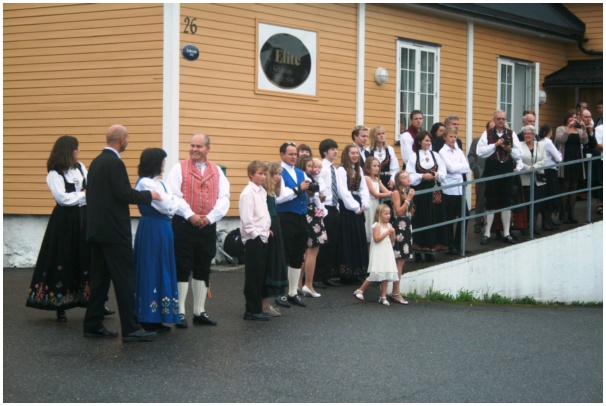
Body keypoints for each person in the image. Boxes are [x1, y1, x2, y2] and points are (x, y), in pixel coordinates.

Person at [84, 124, 160, 342]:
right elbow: (124, 194)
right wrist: (150, 195)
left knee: (99, 280)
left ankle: (92, 324)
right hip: (115, 232)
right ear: (121, 140)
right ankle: (131, 328)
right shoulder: (115, 163)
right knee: (125, 280)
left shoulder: (96, 162)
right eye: (127, 139)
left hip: (97, 230)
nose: (128, 142)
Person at [26, 136, 94, 322]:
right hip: (65, 220)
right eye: (75, 148)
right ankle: (59, 303)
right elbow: (62, 199)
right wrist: (83, 195)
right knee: (63, 257)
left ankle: (93, 301)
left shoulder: (80, 167)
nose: (78, 151)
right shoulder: (54, 173)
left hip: (83, 217)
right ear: (67, 151)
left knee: (85, 257)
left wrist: (82, 196)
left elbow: (91, 189)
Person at [166, 133, 230, 328]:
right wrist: (190, 215)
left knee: (203, 265)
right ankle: (180, 312)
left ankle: (199, 311)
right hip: (183, 225)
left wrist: (210, 218)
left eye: (199, 146)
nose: (194, 149)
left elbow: (224, 197)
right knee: (182, 266)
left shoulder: (217, 171)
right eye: (192, 145)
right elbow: (174, 195)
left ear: (207, 149)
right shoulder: (178, 168)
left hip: (207, 225)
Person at [133, 148, 187, 333]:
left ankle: (158, 316)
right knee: (151, 267)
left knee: (162, 266)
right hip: (152, 227)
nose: (164, 164)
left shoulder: (159, 183)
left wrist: (171, 201)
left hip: (163, 227)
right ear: (155, 163)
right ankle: (148, 316)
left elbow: (173, 202)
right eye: (162, 161)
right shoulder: (145, 183)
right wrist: (171, 201)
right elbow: (166, 205)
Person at [477, 110, 523, 245]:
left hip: (506, 169)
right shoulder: (487, 133)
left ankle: (507, 233)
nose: (501, 121)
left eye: (503, 119)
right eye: (498, 119)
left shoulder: (511, 133)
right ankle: (487, 233)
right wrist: (495, 145)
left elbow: (519, 154)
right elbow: (480, 152)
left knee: (506, 201)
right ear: (494, 120)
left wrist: (509, 149)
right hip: (492, 169)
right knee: (490, 201)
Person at [275, 142, 309, 308]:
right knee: (284, 255)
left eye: (295, 154)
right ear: (282, 155)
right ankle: (279, 292)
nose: (294, 157)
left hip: (301, 216)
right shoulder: (278, 172)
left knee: (298, 255)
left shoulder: (301, 172)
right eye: (290, 154)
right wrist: (298, 189)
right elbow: (279, 197)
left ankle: (293, 292)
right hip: (286, 217)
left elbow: (307, 191)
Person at [406, 130, 448, 261]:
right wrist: (421, 176)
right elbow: (409, 175)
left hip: (434, 192)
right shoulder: (414, 157)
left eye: (430, 140)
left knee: (434, 218)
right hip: (420, 193)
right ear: (419, 142)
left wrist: (437, 175)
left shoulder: (435, 155)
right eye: (426, 140)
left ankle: (431, 250)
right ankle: (418, 252)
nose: (429, 142)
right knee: (420, 219)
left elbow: (443, 171)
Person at [239, 160, 272, 321]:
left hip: (263, 236)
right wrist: (255, 235)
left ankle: (257, 306)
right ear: (251, 174)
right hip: (254, 239)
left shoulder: (262, 191)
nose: (263, 177)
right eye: (260, 174)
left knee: (260, 274)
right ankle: (251, 309)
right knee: (253, 275)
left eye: (265, 174)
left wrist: (266, 229)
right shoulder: (248, 193)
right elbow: (247, 218)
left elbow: (263, 213)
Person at [353, 204, 400, 306]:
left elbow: (393, 240)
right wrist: (386, 232)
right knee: (375, 273)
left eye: (389, 213)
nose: (388, 216)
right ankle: (360, 290)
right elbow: (376, 239)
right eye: (386, 214)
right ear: (379, 214)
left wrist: (393, 233)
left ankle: (383, 296)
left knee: (386, 273)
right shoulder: (377, 225)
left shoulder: (389, 225)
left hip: (387, 253)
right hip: (379, 253)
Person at [336, 144, 370, 281]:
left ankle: (358, 271)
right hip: (347, 208)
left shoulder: (359, 169)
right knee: (347, 238)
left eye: (357, 153)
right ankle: (347, 272)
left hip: (358, 205)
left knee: (358, 237)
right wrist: (355, 207)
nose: (355, 155)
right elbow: (343, 192)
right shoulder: (341, 170)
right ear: (347, 154)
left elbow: (363, 189)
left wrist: (364, 204)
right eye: (352, 153)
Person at [296, 154, 327, 298]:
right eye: (309, 166)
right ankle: (308, 284)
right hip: (312, 213)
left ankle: (298, 284)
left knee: (305, 251)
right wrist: (317, 193)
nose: (311, 169)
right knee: (312, 250)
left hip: (307, 212)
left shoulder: (300, 178)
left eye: (312, 166)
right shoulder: (307, 179)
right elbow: (314, 195)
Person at [439, 126, 472, 255]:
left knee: (465, 215)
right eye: (450, 137)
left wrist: (458, 168)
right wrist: (459, 167)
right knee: (450, 218)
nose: (453, 139)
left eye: (454, 137)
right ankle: (449, 245)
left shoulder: (458, 150)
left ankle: (459, 244)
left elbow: (467, 167)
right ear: (445, 138)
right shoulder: (442, 152)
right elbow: (451, 168)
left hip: (460, 188)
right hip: (449, 188)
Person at [314, 139, 341, 289]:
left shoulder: (333, 169)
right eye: (332, 149)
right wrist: (322, 210)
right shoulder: (322, 168)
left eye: (336, 149)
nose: (335, 151)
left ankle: (326, 275)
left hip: (334, 207)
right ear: (325, 152)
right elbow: (320, 190)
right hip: (325, 208)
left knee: (332, 243)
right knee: (323, 244)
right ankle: (317, 276)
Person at [263, 161, 289, 316]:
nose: (278, 177)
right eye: (275, 174)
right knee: (268, 265)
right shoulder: (263, 191)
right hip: (269, 226)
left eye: (279, 174)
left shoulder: (271, 191)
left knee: (274, 262)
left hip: (275, 224)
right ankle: (263, 304)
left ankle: (265, 303)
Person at [555, 110, 588, 224]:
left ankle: (571, 213)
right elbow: (560, 139)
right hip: (566, 158)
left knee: (574, 185)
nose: (573, 119)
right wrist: (568, 128)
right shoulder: (560, 128)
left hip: (576, 158)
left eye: (575, 117)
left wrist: (584, 129)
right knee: (565, 185)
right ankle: (563, 213)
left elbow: (584, 141)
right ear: (567, 118)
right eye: (571, 117)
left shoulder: (579, 130)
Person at [390, 170, 414, 304]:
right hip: (400, 226)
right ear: (399, 181)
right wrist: (408, 199)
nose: (408, 179)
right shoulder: (396, 192)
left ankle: (395, 291)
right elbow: (399, 211)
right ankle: (396, 292)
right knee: (399, 260)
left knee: (402, 260)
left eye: (408, 176)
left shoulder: (407, 191)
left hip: (407, 225)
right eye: (404, 177)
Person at [518, 125, 547, 233]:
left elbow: (544, 159)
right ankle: (525, 226)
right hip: (525, 178)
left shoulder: (541, 145)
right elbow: (518, 161)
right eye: (525, 133)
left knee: (537, 203)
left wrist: (534, 167)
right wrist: (529, 169)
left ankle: (534, 225)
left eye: (529, 133)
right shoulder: (519, 145)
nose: (527, 135)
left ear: (534, 134)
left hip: (539, 178)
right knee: (526, 202)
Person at [467, 121, 492, 233]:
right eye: (491, 129)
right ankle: (478, 222)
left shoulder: (498, 141)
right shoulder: (477, 141)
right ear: (486, 129)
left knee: (493, 200)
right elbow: (471, 155)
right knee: (481, 199)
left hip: (494, 173)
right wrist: (476, 169)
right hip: (481, 174)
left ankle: (492, 225)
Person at [537, 124, 563, 230]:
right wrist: (559, 154)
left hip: (543, 171)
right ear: (549, 132)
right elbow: (559, 159)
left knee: (545, 195)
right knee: (550, 195)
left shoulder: (540, 142)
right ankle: (546, 222)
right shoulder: (548, 142)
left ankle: (547, 221)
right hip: (550, 172)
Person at [363, 156, 392, 245]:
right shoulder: (366, 178)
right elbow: (375, 194)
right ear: (368, 167)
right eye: (374, 166)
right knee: (369, 227)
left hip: (376, 205)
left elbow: (386, 191)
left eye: (378, 166)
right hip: (369, 205)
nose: (377, 168)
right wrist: (391, 194)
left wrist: (391, 193)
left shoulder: (377, 179)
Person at [368, 125, 399, 189]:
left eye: (383, 133)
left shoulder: (389, 149)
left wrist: (392, 180)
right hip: (373, 182)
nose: (381, 135)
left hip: (388, 181)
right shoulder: (368, 150)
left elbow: (395, 168)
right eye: (379, 134)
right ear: (374, 136)